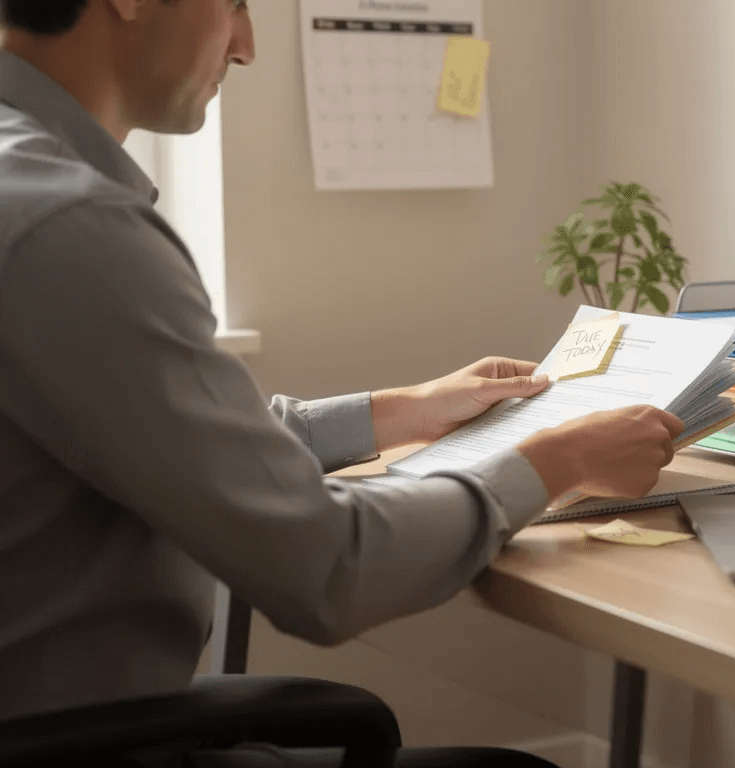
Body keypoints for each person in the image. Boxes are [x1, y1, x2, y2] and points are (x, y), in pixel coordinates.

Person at [0, 0, 683, 765]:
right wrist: (559, 460)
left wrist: (408, 411)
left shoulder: (25, 186)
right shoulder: (67, 226)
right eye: (234, 3)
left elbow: (175, 439)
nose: (246, 46)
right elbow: (329, 566)